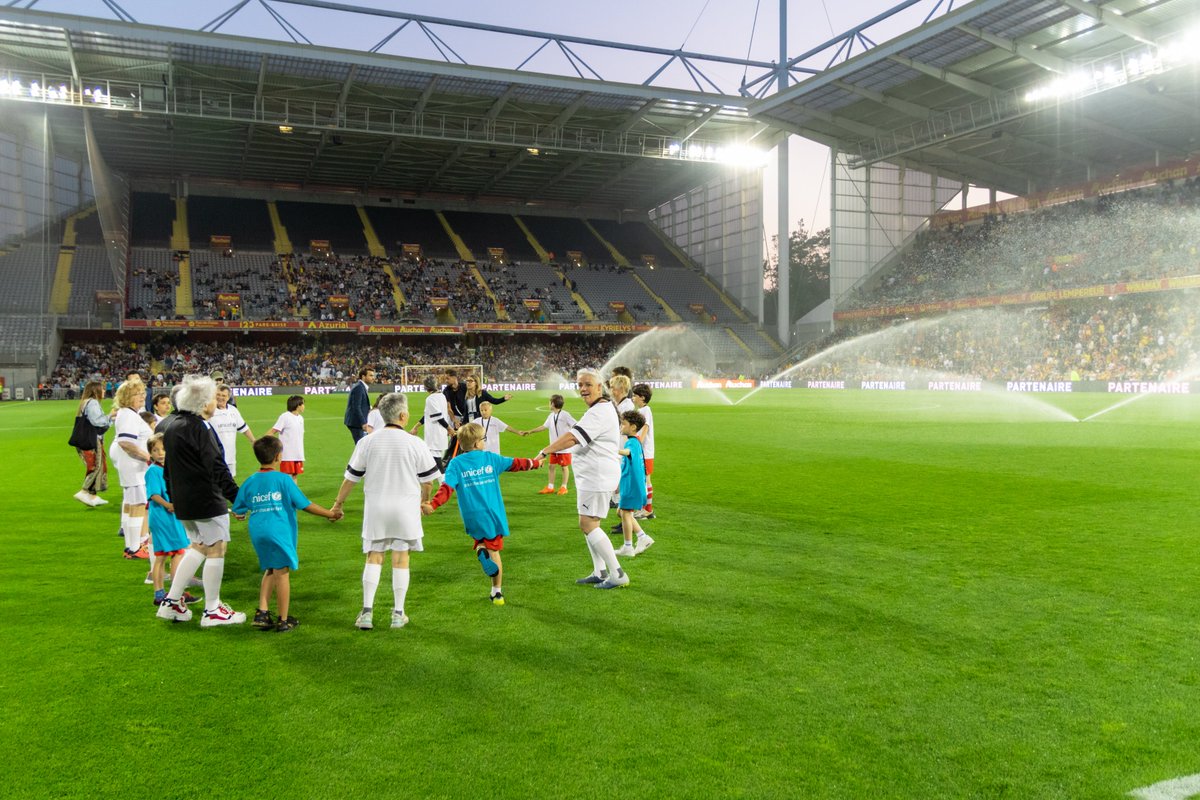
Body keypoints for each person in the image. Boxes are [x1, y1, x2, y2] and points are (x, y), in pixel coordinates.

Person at [332, 393, 441, 631]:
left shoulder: (367, 441)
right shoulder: (416, 442)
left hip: (377, 508)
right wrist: (425, 500)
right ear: (403, 415)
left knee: (374, 556)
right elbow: (429, 481)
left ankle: (367, 613)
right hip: (405, 509)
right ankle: (397, 614)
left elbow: (351, 478)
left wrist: (338, 504)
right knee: (401, 558)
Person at [155, 375, 246, 628]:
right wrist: (236, 497)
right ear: (202, 403)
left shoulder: (172, 424)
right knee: (216, 547)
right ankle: (213, 610)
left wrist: (174, 498)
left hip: (184, 500)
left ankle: (171, 602)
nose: (215, 401)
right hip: (205, 499)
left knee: (198, 546)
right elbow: (217, 466)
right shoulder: (200, 427)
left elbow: (168, 469)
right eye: (211, 398)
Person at [425, 422, 543, 605]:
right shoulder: (490, 459)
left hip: (472, 515)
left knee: (481, 540)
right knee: (494, 551)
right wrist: (535, 463)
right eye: (483, 439)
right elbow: (516, 463)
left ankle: (481, 550)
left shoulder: (456, 463)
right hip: (492, 513)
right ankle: (497, 592)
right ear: (477, 444)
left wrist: (433, 504)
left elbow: (446, 488)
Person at [233, 436, 341, 633]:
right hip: (278, 531)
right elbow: (305, 505)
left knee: (269, 569)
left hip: (258, 531)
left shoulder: (250, 481)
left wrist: (240, 515)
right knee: (282, 573)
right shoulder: (284, 479)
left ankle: (263, 613)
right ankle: (283, 620)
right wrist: (330, 514)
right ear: (278, 456)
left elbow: (238, 509)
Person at [534, 367, 629, 589]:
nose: (583, 389)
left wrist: (545, 451)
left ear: (599, 386)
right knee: (588, 522)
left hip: (597, 476)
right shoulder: (601, 408)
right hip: (591, 476)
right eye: (580, 385)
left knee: (588, 523)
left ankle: (617, 573)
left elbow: (571, 438)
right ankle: (600, 571)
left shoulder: (600, 411)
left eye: (588, 384)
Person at [144, 433, 199, 607]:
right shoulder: (153, 471)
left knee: (178, 553)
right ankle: (160, 593)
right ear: (151, 453)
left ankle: (176, 592)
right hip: (162, 518)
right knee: (162, 556)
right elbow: (153, 494)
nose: (160, 453)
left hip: (173, 517)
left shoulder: (170, 468)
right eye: (156, 450)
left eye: (163, 449)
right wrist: (169, 504)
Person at [109, 379, 153, 559]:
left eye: (143, 393)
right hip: (135, 468)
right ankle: (135, 548)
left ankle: (131, 544)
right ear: (127, 397)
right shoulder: (128, 415)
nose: (142, 396)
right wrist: (148, 457)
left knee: (130, 504)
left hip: (132, 467)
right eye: (138, 394)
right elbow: (126, 442)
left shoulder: (127, 413)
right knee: (138, 505)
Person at [614, 410, 653, 557]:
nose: (621, 426)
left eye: (624, 424)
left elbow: (628, 452)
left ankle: (628, 547)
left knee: (625, 513)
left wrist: (614, 450)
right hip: (631, 485)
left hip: (632, 486)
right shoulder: (634, 440)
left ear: (633, 427)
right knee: (621, 512)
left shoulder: (632, 442)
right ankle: (643, 537)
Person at [525, 394, 576, 496]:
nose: (549, 404)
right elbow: (544, 426)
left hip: (564, 448)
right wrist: (531, 431)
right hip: (553, 447)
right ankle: (550, 487)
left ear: (553, 404)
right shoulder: (551, 415)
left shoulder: (565, 415)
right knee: (551, 466)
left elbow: (575, 424)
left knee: (564, 467)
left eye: (550, 402)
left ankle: (563, 487)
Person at [72, 380, 112, 507]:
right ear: (96, 391)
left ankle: (92, 496)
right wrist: (111, 416)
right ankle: (84, 491)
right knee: (96, 465)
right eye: (102, 389)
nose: (104, 391)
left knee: (97, 464)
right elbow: (97, 421)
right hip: (91, 439)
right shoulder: (92, 402)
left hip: (85, 439)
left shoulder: (84, 402)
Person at [410, 376, 454, 471]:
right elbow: (428, 415)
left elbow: (438, 417)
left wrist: (449, 428)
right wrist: (416, 427)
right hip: (439, 432)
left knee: (435, 460)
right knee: (433, 460)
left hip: (434, 434)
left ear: (426, 387)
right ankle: (440, 481)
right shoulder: (442, 396)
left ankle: (445, 483)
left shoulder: (430, 399)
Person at [210, 384, 255, 478]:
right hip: (214, 457)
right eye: (218, 394)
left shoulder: (233, 410)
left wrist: (253, 441)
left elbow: (244, 428)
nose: (220, 398)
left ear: (228, 397)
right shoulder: (209, 410)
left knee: (230, 484)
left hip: (230, 457)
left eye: (224, 396)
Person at [631, 383, 656, 524]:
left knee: (645, 480)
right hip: (645, 451)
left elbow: (645, 430)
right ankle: (646, 509)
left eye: (635, 395)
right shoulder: (643, 410)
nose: (633, 398)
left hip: (645, 452)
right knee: (643, 480)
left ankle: (647, 509)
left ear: (642, 397)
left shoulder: (645, 411)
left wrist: (636, 444)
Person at [267, 395, 306, 479]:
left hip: (298, 453)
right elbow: (272, 431)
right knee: (287, 477)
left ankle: (293, 492)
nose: (304, 406)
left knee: (295, 475)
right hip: (287, 454)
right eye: (303, 404)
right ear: (297, 405)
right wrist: (264, 444)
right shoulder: (285, 417)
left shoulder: (300, 418)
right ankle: (286, 492)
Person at [345, 367, 375, 442]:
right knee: (361, 447)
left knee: (362, 446)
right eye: (370, 375)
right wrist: (363, 422)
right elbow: (356, 407)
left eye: (373, 376)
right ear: (363, 376)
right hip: (356, 423)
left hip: (357, 423)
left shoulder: (361, 387)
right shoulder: (359, 388)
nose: (373, 378)